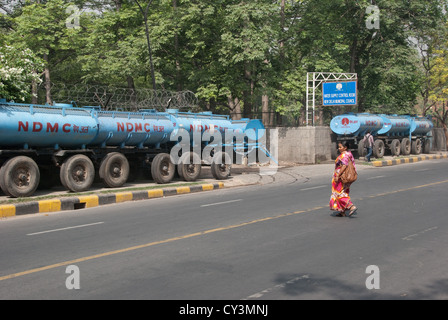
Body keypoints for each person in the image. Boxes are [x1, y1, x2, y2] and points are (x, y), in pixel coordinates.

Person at [329, 141, 358, 217]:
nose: (339, 149)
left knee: (339, 193)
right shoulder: (349, 154)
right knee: (344, 191)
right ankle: (342, 211)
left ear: (345, 147)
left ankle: (351, 206)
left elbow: (344, 166)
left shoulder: (344, 155)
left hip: (341, 177)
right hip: (345, 176)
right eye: (338, 147)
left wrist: (338, 175)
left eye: (340, 147)